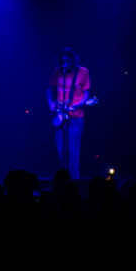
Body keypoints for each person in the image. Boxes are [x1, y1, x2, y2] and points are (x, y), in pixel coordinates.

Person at [46, 48, 91, 180]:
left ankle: (74, 181)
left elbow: (86, 92)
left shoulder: (83, 72)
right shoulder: (57, 72)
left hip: (76, 116)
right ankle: (63, 180)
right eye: (62, 61)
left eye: (67, 61)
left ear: (73, 60)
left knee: (74, 151)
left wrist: (80, 104)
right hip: (60, 116)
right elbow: (48, 89)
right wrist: (50, 103)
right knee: (61, 150)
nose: (65, 64)